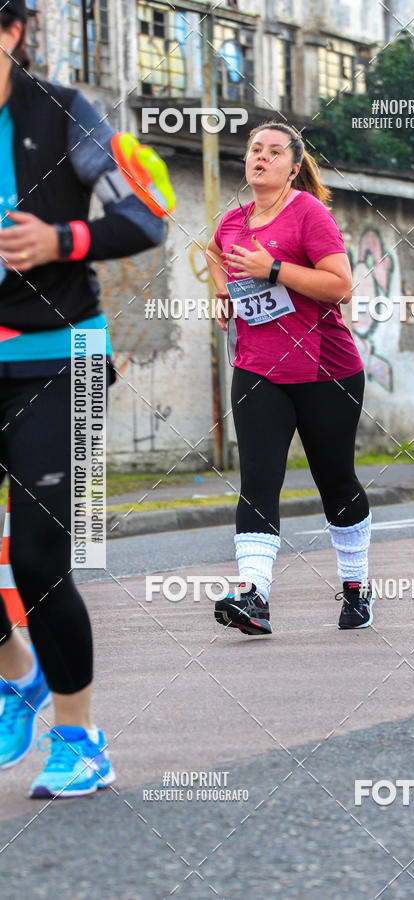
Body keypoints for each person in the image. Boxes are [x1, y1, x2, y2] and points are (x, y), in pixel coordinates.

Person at [0, 1, 170, 796]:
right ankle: (15, 670)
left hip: (58, 356)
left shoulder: (68, 114)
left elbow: (147, 213)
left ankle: (78, 734)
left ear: (11, 34)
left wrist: (61, 240)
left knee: (37, 558)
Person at [205, 120, 374, 635]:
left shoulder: (309, 213)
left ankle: (355, 585)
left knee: (335, 481)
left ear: (293, 166)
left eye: (274, 152)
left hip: (326, 371)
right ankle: (253, 596)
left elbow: (340, 286)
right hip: (258, 368)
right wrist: (222, 293)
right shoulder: (232, 221)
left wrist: (272, 269)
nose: (261, 157)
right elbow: (215, 252)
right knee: (258, 478)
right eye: (255, 149)